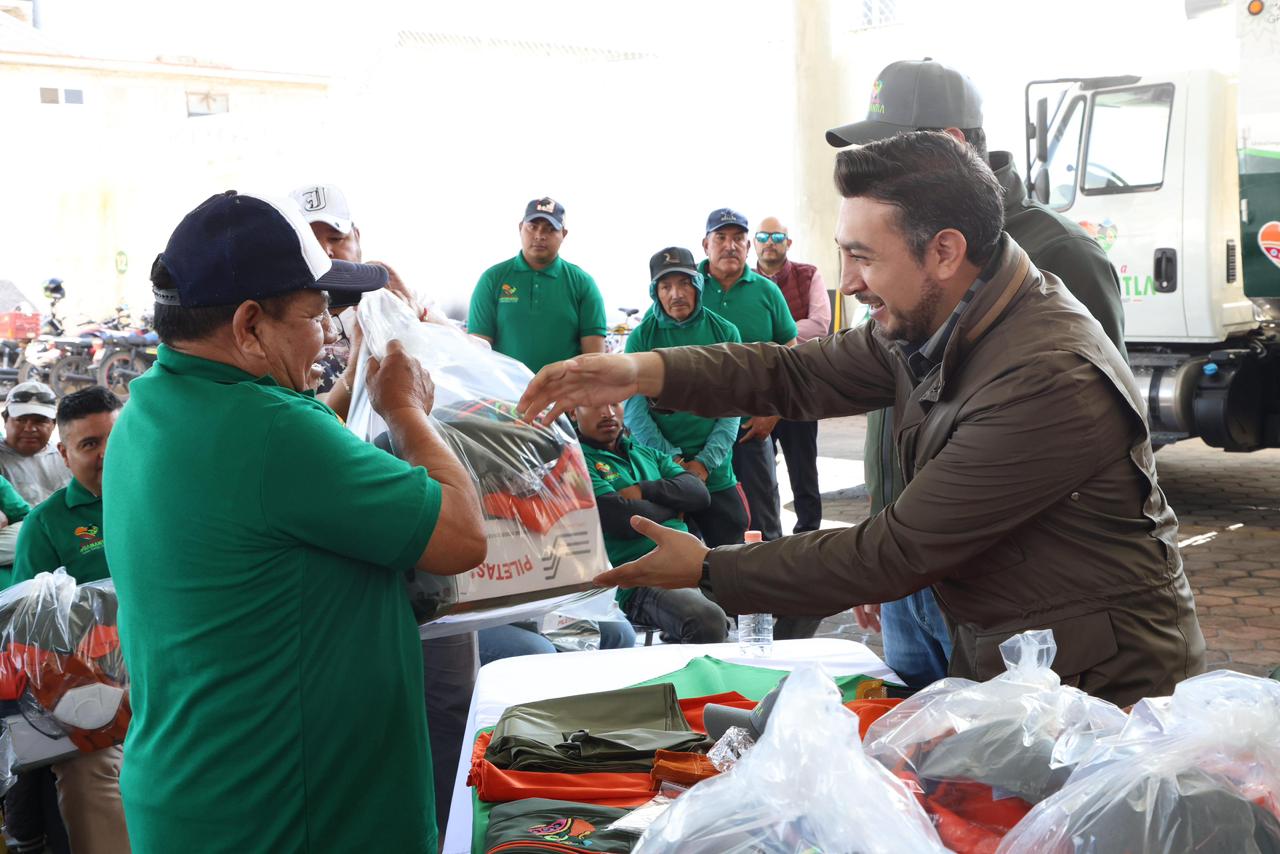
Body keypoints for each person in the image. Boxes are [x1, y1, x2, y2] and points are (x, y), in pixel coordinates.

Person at [518, 132, 1205, 709]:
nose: (846, 280)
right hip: (1025, 649)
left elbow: (892, 552)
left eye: (863, 256)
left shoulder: (1044, 375)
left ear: (943, 251)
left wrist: (707, 568)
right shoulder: (937, 318)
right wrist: (642, 372)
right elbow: (798, 372)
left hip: (1104, 688)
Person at [102, 190, 487, 853]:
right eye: (317, 315)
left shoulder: (149, 410)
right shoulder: (272, 430)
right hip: (293, 821)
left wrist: (354, 392)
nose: (331, 334)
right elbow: (461, 535)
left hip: (198, 802)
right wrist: (404, 412)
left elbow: (277, 490)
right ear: (250, 326)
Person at [826, 58, 1128, 689]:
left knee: (990, 778)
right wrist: (883, 553)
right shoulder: (896, 246)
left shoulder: (1057, 252)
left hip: (1005, 596)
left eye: (888, 149)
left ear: (953, 146)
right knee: (911, 768)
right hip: (908, 573)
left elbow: (1084, 430)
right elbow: (890, 406)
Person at [290, 182, 480, 836]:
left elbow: (471, 380)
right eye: (312, 241)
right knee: (384, 733)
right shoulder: (299, 334)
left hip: (431, 564)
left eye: (335, 238)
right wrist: (376, 389)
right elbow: (313, 433)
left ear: (356, 241)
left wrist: (409, 345)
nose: (328, 253)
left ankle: (451, 833)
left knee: (448, 707)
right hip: (370, 569)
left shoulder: (398, 303)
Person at [9, 386, 129, 854]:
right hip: (98, 685)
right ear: (63, 454)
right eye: (89, 444)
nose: (105, 455)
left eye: (114, 440)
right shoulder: (46, 524)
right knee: (86, 771)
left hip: (185, 670)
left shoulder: (168, 494)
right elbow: (29, 630)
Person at [623, 247, 749, 549]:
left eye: (684, 283)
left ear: (698, 285)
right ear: (655, 292)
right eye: (666, 286)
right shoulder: (641, 337)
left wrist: (704, 463)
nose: (676, 294)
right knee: (673, 567)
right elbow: (635, 412)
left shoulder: (725, 331)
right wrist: (675, 463)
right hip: (663, 471)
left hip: (715, 472)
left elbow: (733, 407)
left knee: (731, 561)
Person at [576, 400, 729, 644]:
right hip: (639, 578)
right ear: (574, 412)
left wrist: (640, 491)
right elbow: (621, 519)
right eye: (595, 405)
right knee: (708, 620)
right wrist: (673, 506)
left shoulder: (645, 452)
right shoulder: (575, 461)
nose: (607, 412)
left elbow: (698, 493)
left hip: (691, 561)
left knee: (765, 588)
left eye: (614, 403)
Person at [697, 209, 797, 548]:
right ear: (705, 244)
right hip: (695, 435)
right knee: (704, 524)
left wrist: (774, 411)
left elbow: (791, 355)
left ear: (748, 245)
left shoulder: (767, 292)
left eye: (738, 238)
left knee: (763, 521)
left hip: (751, 429)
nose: (730, 246)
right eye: (721, 238)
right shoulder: (685, 290)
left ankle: (772, 598)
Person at [753, 216, 831, 534]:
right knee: (758, 469)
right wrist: (785, 336)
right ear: (753, 243)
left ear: (788, 242)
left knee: (803, 467)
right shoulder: (743, 283)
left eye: (776, 235)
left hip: (800, 386)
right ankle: (767, 536)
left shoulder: (808, 274)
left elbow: (820, 326)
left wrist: (765, 336)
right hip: (756, 391)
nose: (769, 241)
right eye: (762, 235)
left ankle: (808, 535)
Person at [467, 197, 606, 373]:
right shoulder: (492, 279)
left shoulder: (583, 284)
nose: (540, 235)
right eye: (533, 227)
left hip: (564, 395)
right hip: (504, 395)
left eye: (550, 229)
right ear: (520, 228)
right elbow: (478, 349)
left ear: (563, 234)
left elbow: (594, 359)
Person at [0, 381, 71, 506]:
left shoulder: (68, 458)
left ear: (54, 424)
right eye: (21, 420)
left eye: (40, 421)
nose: (29, 428)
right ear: (5, 420)